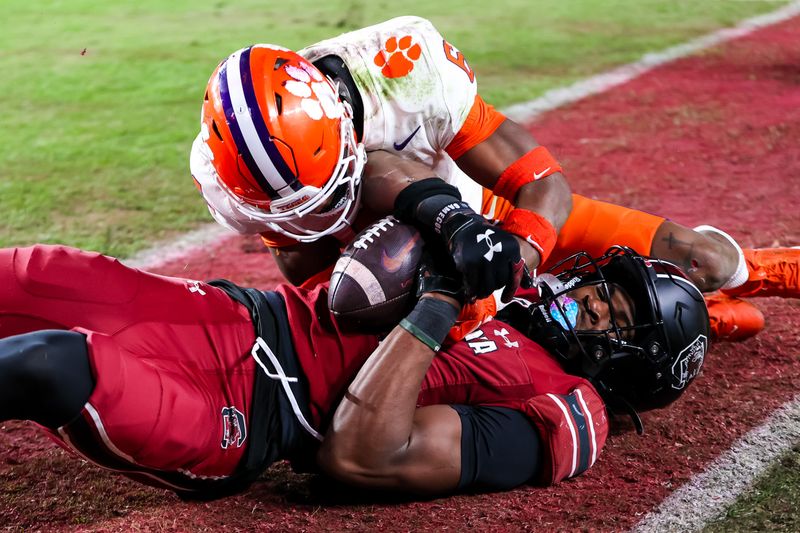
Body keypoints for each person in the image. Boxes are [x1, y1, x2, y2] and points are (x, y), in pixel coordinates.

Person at [190, 17, 798, 342]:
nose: (314, 217)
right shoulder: (231, 176)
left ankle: (747, 279)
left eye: (325, 193)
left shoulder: (405, 75)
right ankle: (686, 317)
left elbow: (545, 183)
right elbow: (308, 271)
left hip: (495, 218)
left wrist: (521, 254)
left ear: (344, 124)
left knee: (709, 261)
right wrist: (401, 295)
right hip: (412, 272)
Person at [0, 240, 708, 498]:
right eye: (593, 287)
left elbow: (363, 456)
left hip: (250, 411)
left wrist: (436, 305)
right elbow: (389, 183)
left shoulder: (566, 409)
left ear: (632, 366)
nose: (577, 298)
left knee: (55, 363)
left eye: (603, 313)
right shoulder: (511, 277)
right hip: (232, 314)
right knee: (31, 274)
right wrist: (445, 218)